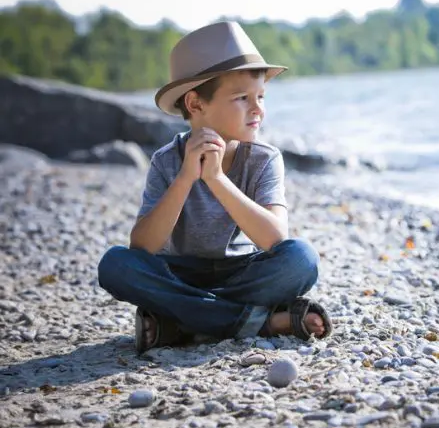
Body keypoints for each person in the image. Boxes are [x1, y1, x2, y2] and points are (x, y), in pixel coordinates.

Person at [97, 21, 332, 354]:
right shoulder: (166, 161)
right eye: (242, 98)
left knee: (302, 258)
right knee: (116, 264)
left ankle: (180, 322)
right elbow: (143, 246)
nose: (258, 108)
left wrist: (216, 179)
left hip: (242, 274)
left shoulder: (263, 159)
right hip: (179, 273)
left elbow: (275, 238)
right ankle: (260, 323)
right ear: (195, 105)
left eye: (261, 96)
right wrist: (186, 178)